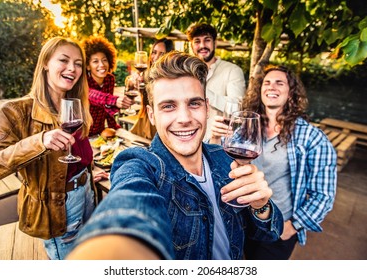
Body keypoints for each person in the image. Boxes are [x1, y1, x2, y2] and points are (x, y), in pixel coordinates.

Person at [66, 51, 283, 260]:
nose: (184, 118)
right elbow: (129, 203)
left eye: (194, 103)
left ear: (207, 108)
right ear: (152, 115)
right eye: (169, 106)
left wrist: (261, 205)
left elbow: (269, 233)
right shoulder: (141, 166)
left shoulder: (225, 158)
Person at [0, 37, 97, 260]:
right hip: (57, 207)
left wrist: (87, 170)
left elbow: (77, 154)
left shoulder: (75, 105)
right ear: (45, 62)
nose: (72, 69)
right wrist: (39, 141)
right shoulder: (16, 112)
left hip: (86, 193)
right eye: (63, 60)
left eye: (78, 63)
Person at [210, 64, 337, 259]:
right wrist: (217, 139)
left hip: (277, 226)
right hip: (243, 219)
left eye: (279, 83)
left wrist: (293, 226)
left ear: (291, 93)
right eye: (267, 83)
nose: (271, 87)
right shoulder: (247, 128)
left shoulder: (312, 138)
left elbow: (324, 194)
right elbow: (221, 166)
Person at [186, 23, 246, 141]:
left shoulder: (232, 70)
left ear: (215, 43)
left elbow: (237, 109)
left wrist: (202, 91)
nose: (202, 45)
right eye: (197, 41)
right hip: (189, 141)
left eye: (207, 40)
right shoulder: (186, 73)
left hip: (219, 145)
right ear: (192, 46)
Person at [82, 36, 134, 137]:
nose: (101, 65)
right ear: (88, 66)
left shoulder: (109, 79)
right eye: (95, 61)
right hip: (83, 135)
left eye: (104, 60)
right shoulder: (84, 81)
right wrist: (114, 100)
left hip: (100, 133)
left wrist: (114, 127)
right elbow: (91, 95)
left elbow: (107, 108)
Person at [130, 38, 175, 140]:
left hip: (161, 122)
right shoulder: (146, 74)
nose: (156, 57)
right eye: (154, 52)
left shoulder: (172, 79)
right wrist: (134, 84)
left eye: (162, 54)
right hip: (145, 119)